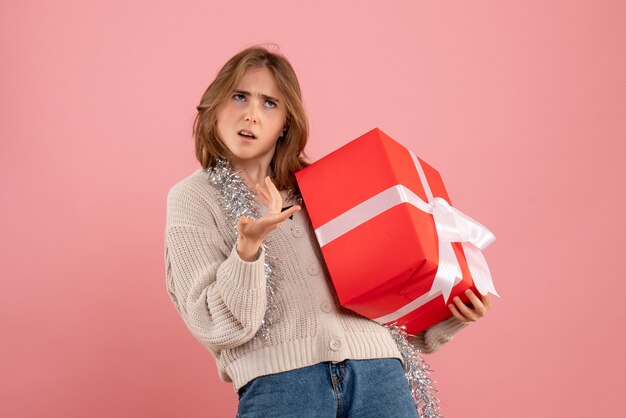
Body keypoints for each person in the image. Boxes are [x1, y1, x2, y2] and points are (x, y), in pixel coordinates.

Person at [164, 45, 492, 418]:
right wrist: (248, 250)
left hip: (379, 376)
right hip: (283, 388)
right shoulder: (192, 198)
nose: (252, 115)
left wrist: (452, 311)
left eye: (270, 103)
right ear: (216, 104)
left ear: (286, 122)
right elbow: (216, 325)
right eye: (240, 96)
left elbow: (387, 302)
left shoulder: (327, 186)